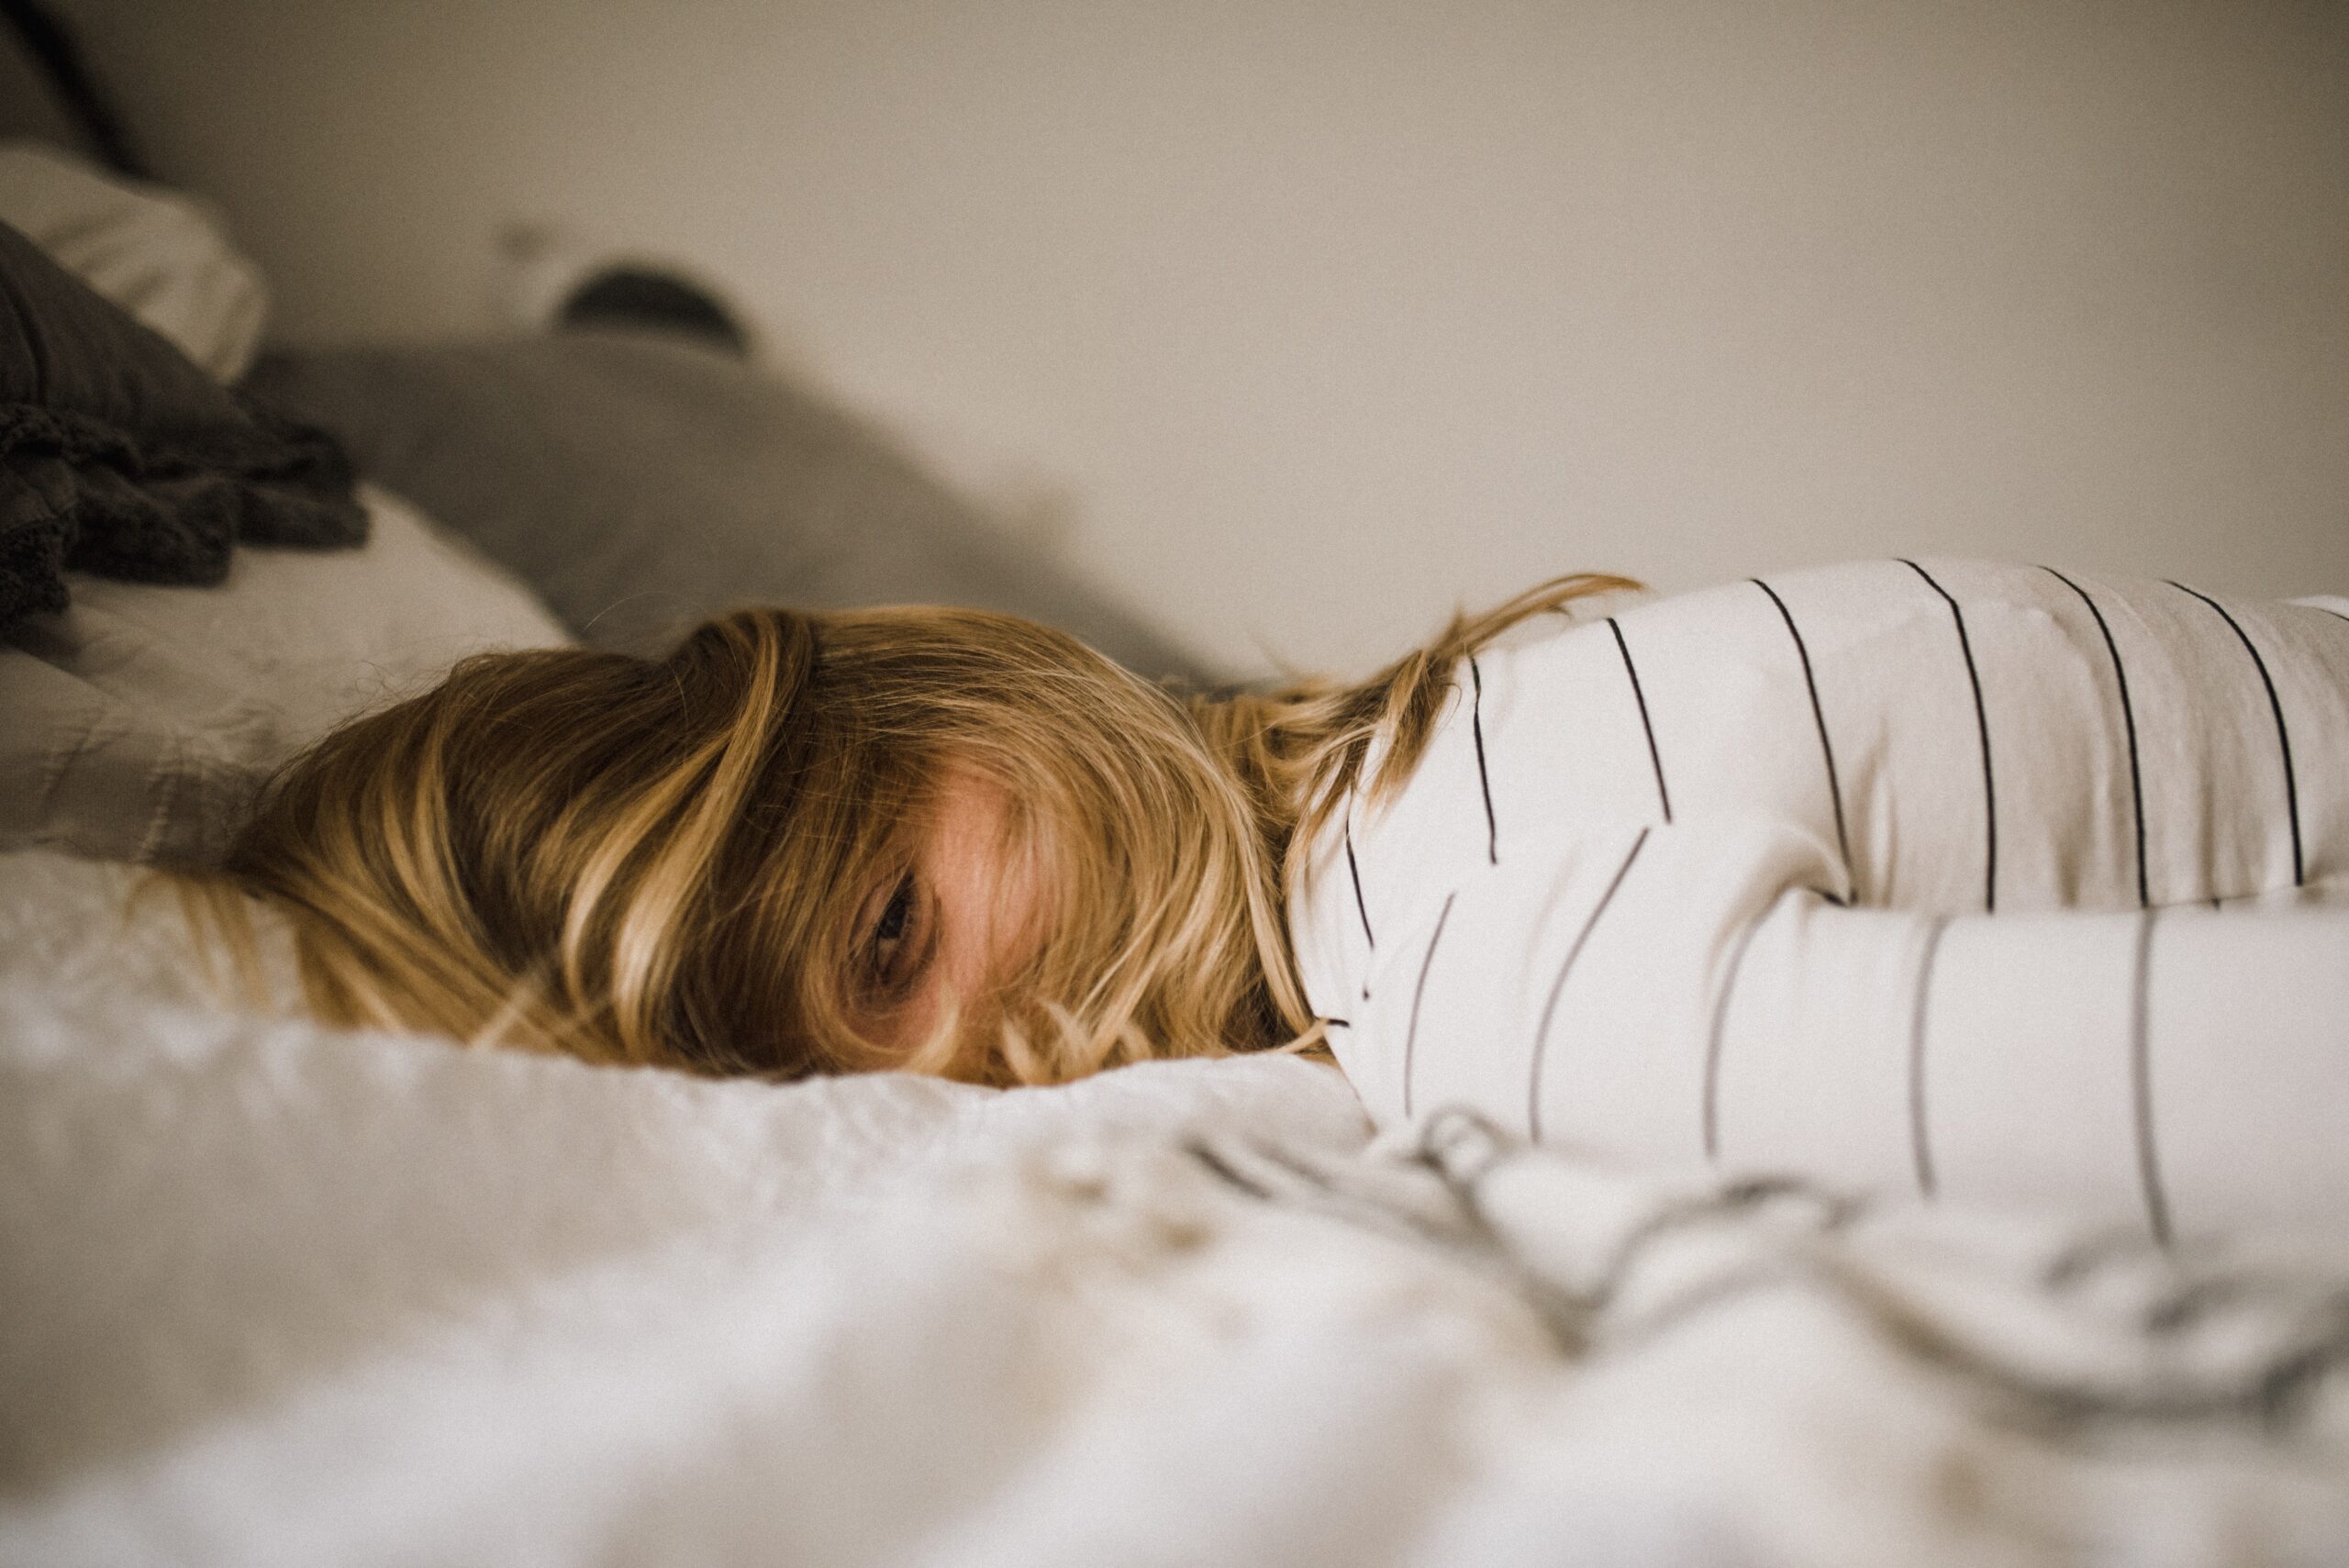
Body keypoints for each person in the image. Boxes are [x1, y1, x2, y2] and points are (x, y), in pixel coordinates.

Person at [203, 562, 2349, 1229]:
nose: (964, 1079)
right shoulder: (1438, 750)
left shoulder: (1489, 969)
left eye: (887, 940)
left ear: (962, 684)